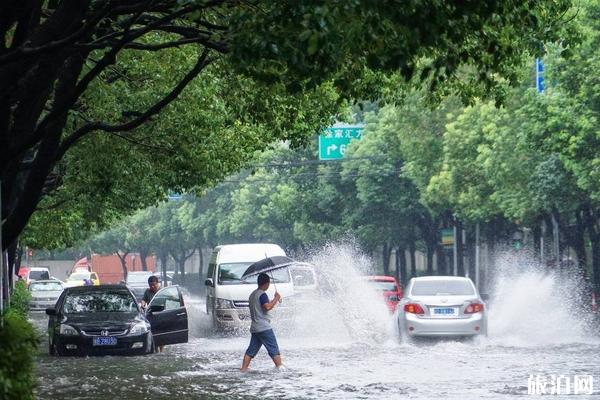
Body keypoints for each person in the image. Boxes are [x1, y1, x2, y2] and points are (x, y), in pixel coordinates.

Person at [240, 273, 282, 372]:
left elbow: (261, 307)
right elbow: (267, 307)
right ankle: (280, 368)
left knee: (251, 351)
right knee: (274, 349)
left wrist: (272, 300)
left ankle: (243, 369)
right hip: (264, 328)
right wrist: (276, 298)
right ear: (266, 283)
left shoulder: (253, 294)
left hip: (255, 328)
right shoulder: (262, 294)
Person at [141, 275, 164, 352]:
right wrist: (143, 304)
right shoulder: (147, 291)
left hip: (161, 315)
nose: (152, 286)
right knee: (153, 334)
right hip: (151, 316)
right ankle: (156, 350)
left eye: (154, 285)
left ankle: (161, 350)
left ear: (158, 283)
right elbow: (144, 300)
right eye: (150, 285)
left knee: (162, 334)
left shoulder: (162, 292)